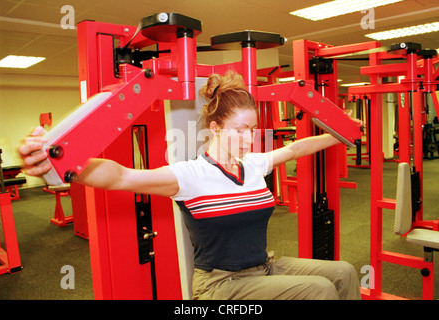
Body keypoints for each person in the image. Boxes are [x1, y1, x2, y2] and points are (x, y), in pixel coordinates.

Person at [19, 71, 361, 300]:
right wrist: (65, 164)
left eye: (252, 130)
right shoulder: (190, 175)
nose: (248, 138)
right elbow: (121, 176)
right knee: (319, 290)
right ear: (215, 127)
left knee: (344, 273)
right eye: (239, 129)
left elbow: (295, 148)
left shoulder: (255, 165)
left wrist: (339, 133)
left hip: (264, 266)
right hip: (220, 284)